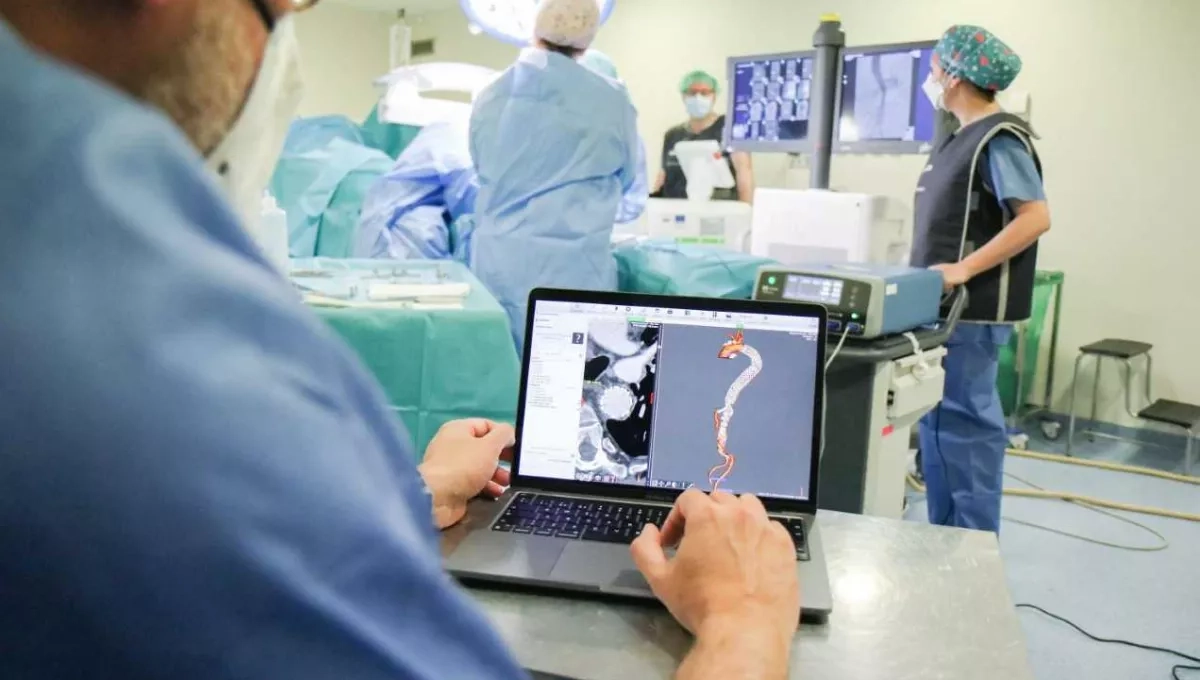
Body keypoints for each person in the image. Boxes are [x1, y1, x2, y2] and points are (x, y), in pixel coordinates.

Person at [0, 1, 802, 678]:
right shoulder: (145, 356)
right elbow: (629, 191)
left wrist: (417, 494)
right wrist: (742, 622)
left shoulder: (55, 237)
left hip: (501, 263)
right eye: (288, 6)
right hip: (575, 266)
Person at [912, 25, 1051, 533]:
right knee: (938, 429)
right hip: (943, 313)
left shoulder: (999, 139)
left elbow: (1034, 217)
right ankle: (945, 544)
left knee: (966, 431)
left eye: (933, 68)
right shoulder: (956, 140)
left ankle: (972, 553)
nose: (930, 78)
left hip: (972, 314)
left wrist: (965, 268)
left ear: (952, 76)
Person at [469, 0, 640, 350]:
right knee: (569, 371)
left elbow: (480, 166)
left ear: (535, 28)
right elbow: (628, 179)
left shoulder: (490, 95)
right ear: (588, 40)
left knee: (503, 367)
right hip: (576, 269)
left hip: (500, 265)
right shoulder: (612, 101)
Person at [652, 70, 755, 203]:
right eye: (692, 92)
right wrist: (653, 206)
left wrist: (745, 211)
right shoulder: (672, 135)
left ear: (714, 96)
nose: (698, 97)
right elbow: (663, 176)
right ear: (683, 96)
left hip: (720, 210)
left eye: (705, 93)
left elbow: (744, 174)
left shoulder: (730, 128)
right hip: (676, 210)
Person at [578, 49, 651, 225]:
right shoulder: (553, 132)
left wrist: (587, 216)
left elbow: (633, 201)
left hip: (606, 233)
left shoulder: (625, 137)